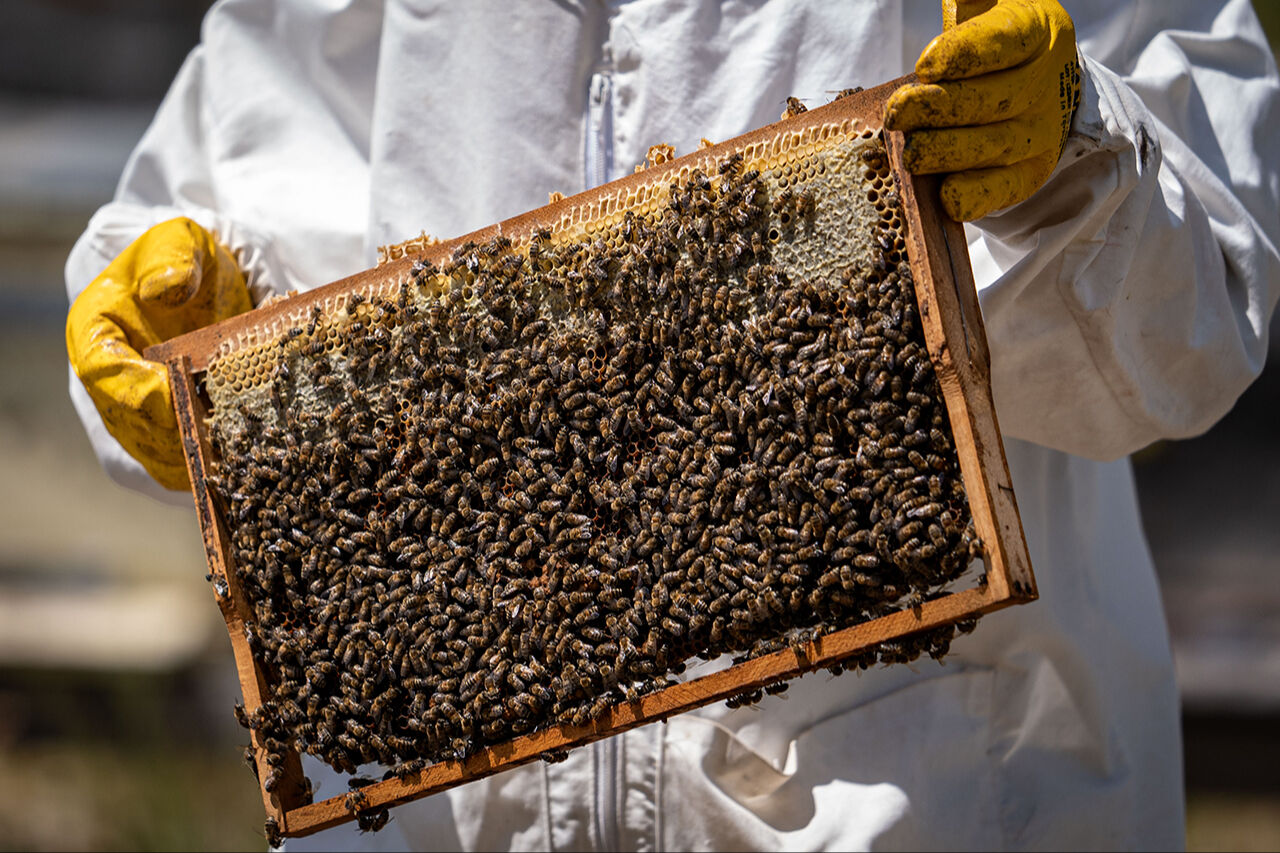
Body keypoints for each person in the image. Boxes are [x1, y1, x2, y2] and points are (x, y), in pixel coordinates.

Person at [64, 1, 1279, 849]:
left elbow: (1192, 328)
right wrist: (176, 322)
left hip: (921, 801)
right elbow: (229, 180)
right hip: (448, 819)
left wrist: (1078, 158)